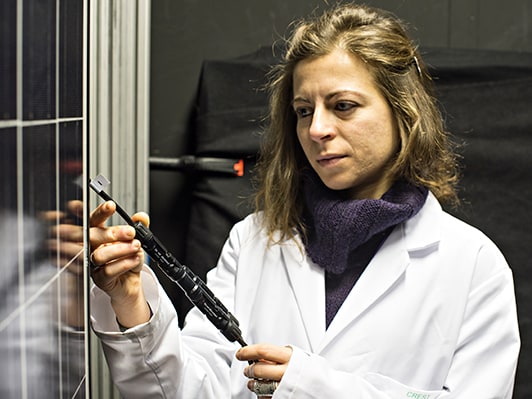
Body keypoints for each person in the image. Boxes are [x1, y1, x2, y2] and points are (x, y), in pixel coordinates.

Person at [89, 3, 520, 398]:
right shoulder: (254, 240)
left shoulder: (473, 265)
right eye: (303, 110)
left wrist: (312, 385)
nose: (316, 129)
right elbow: (189, 390)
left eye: (343, 106)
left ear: (403, 111)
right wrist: (130, 302)